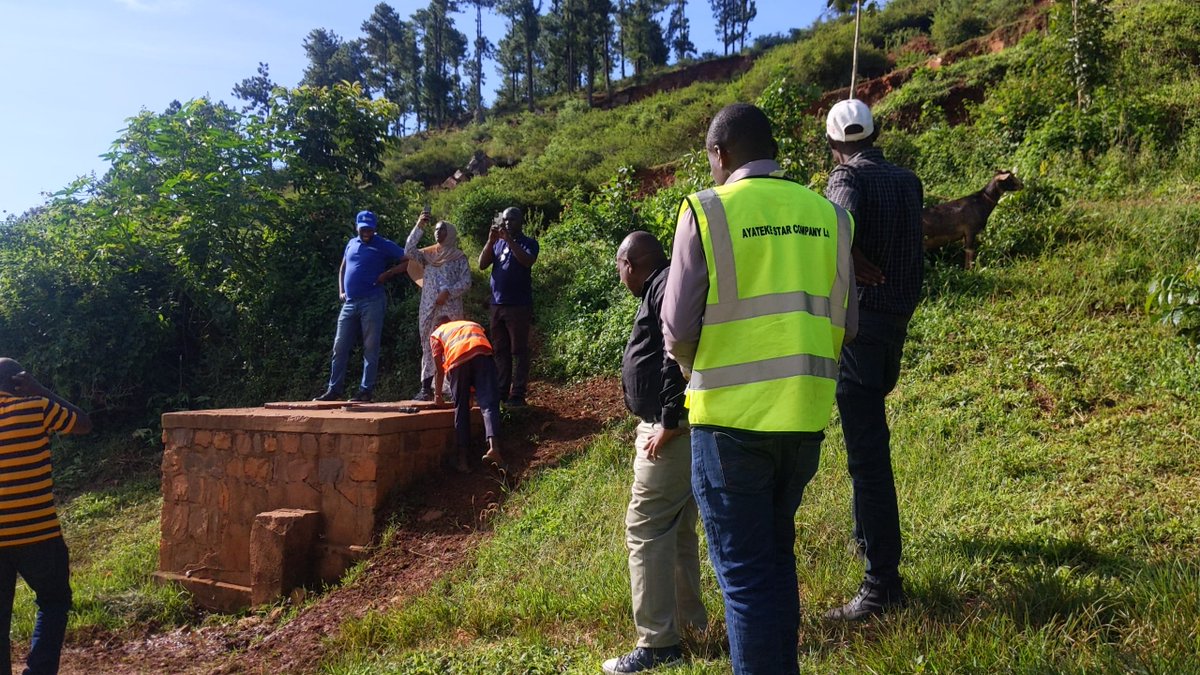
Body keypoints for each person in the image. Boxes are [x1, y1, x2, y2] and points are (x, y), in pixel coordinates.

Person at [661, 103, 857, 675]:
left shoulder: (705, 210)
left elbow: (676, 330)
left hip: (729, 425)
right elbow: (845, 320)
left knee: (745, 580)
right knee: (774, 564)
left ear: (719, 155)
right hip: (803, 422)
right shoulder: (829, 215)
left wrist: (703, 368)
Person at [822, 99, 924, 621]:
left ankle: (882, 584)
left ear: (835, 145)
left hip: (859, 331)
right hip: (897, 324)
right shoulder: (907, 181)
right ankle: (866, 540)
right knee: (870, 437)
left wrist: (848, 256)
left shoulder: (846, 180)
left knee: (867, 456)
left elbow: (832, 230)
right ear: (875, 132)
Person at [603, 231, 707, 675]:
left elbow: (674, 350)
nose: (621, 275)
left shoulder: (663, 284)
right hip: (682, 427)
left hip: (669, 430)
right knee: (677, 528)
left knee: (644, 527)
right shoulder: (668, 282)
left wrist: (668, 418)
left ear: (631, 263)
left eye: (619, 267)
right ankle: (692, 627)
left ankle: (658, 644)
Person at [0, 358, 93, 675]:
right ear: (19, 382)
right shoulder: (37, 406)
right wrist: (41, 389)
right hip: (39, 535)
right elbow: (83, 422)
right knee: (53, 601)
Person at [314, 210, 407, 403]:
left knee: (370, 346)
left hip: (372, 301)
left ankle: (365, 391)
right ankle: (334, 390)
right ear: (357, 227)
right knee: (339, 346)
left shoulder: (383, 244)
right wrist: (341, 290)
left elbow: (408, 261)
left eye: (370, 229)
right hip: (349, 303)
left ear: (374, 228)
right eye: (364, 229)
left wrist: (387, 274)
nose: (367, 232)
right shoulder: (351, 243)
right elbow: (343, 267)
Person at [405, 212, 471, 401]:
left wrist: (448, 292)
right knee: (427, 343)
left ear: (449, 233)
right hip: (429, 307)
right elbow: (408, 250)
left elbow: (466, 282)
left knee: (452, 344)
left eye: (441, 229)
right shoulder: (428, 255)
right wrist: (419, 226)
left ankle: (451, 388)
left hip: (450, 308)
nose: (437, 233)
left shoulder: (459, 257)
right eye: (435, 229)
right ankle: (426, 387)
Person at [478, 206, 539, 407]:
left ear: (520, 221)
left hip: (518, 306)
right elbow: (482, 264)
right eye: (504, 220)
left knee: (519, 351)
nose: (507, 223)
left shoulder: (529, 243)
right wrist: (490, 240)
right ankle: (502, 390)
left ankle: (518, 394)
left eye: (512, 220)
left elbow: (527, 261)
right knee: (500, 350)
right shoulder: (497, 244)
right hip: (497, 304)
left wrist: (510, 240)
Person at [430, 317, 504, 473]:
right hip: (483, 355)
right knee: (488, 403)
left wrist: (438, 396)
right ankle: (494, 448)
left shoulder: (437, 333)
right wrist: (471, 393)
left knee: (461, 408)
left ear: (438, 325)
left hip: (458, 361)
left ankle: (462, 461)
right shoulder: (472, 324)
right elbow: (474, 356)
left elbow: (439, 369)